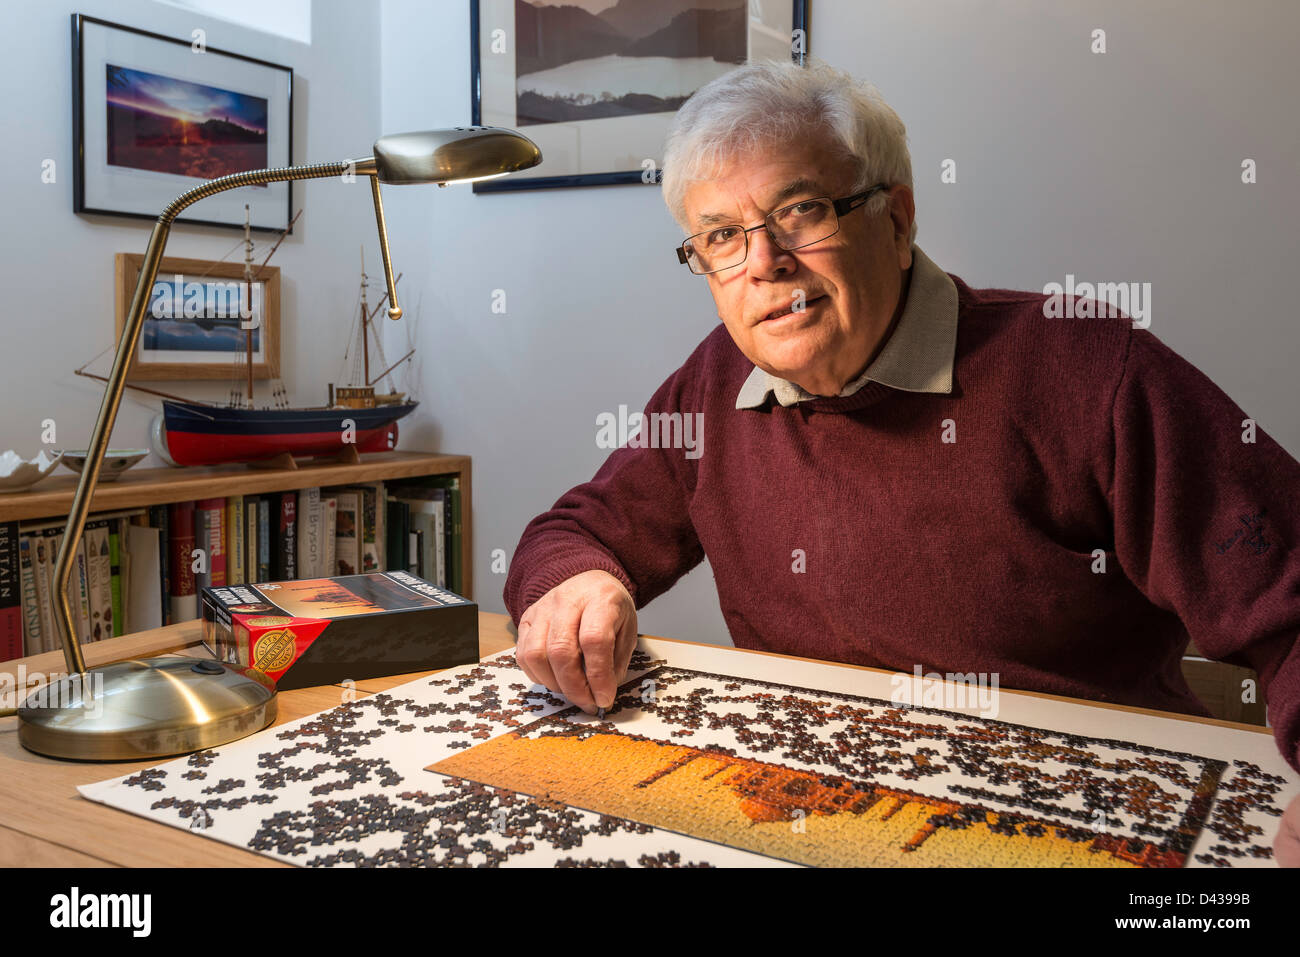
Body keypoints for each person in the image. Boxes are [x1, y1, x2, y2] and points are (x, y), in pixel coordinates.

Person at [502, 59, 1300, 862]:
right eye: (721, 238)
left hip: (1091, 827)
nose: (765, 262)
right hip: (812, 820)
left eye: (800, 212)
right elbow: (575, 530)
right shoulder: (715, 381)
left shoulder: (1092, 369)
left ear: (897, 216)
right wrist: (579, 581)